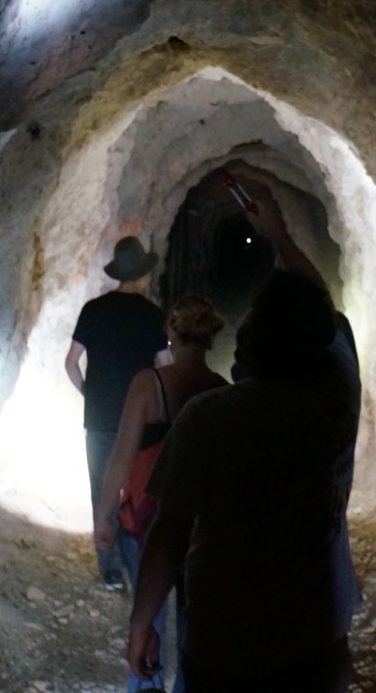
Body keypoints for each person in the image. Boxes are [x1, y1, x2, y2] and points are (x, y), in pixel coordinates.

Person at [126, 195, 363, 692]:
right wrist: (279, 234)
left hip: (231, 644)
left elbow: (168, 537)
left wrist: (141, 623)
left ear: (253, 340)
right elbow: (323, 309)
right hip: (318, 633)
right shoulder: (340, 391)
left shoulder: (212, 417)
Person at [95, 294, 230, 693]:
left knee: (147, 617)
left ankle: (144, 687)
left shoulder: (147, 384)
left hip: (146, 517)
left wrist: (103, 514)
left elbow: (121, 455)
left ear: (171, 333)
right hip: (198, 523)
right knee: (194, 625)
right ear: (208, 340)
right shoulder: (219, 390)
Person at [66, 235, 169, 589]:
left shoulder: (92, 311)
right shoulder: (153, 316)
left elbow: (71, 364)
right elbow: (164, 367)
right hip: (138, 422)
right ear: (141, 275)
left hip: (97, 419)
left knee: (102, 490)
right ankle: (134, 559)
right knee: (135, 490)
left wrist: (89, 394)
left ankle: (109, 571)